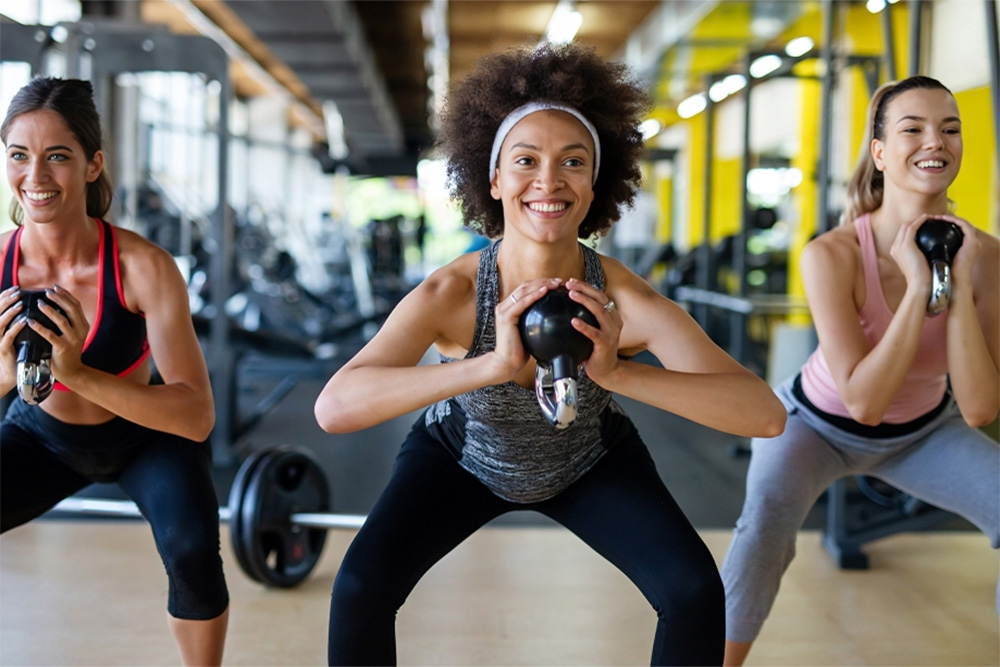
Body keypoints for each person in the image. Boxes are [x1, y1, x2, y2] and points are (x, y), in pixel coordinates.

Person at [315, 43, 787, 666]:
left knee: (694, 590)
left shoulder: (624, 299)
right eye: (526, 161)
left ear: (595, 184)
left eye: (572, 162)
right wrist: (487, 367)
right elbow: (335, 407)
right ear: (493, 178)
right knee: (359, 589)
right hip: (464, 455)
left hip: (588, 457)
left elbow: (764, 415)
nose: (548, 181)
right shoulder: (453, 294)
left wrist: (617, 374)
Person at [720, 75, 999, 666]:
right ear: (879, 152)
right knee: (764, 530)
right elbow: (864, 403)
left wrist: (959, 279)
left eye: (951, 129)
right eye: (914, 129)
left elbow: (978, 408)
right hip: (812, 426)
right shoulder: (832, 254)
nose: (936, 141)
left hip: (924, 431)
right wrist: (920, 286)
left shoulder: (988, 257)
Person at [0, 78, 229, 666]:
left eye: (58, 156)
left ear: (93, 164)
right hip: (40, 438)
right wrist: (3, 377)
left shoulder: (142, 267)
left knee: (193, 549)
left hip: (142, 439)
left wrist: (76, 372)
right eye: (19, 156)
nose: (36, 176)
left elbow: (196, 416)